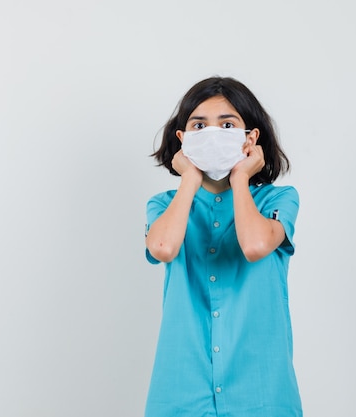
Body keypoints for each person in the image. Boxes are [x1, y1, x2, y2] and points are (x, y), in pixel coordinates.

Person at [144, 76, 302, 417]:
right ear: (183, 140)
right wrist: (190, 178)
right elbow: (162, 247)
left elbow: (256, 245)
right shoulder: (164, 205)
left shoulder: (278, 199)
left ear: (250, 138)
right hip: (181, 392)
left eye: (226, 123)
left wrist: (241, 177)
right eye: (199, 125)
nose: (212, 132)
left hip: (261, 393)